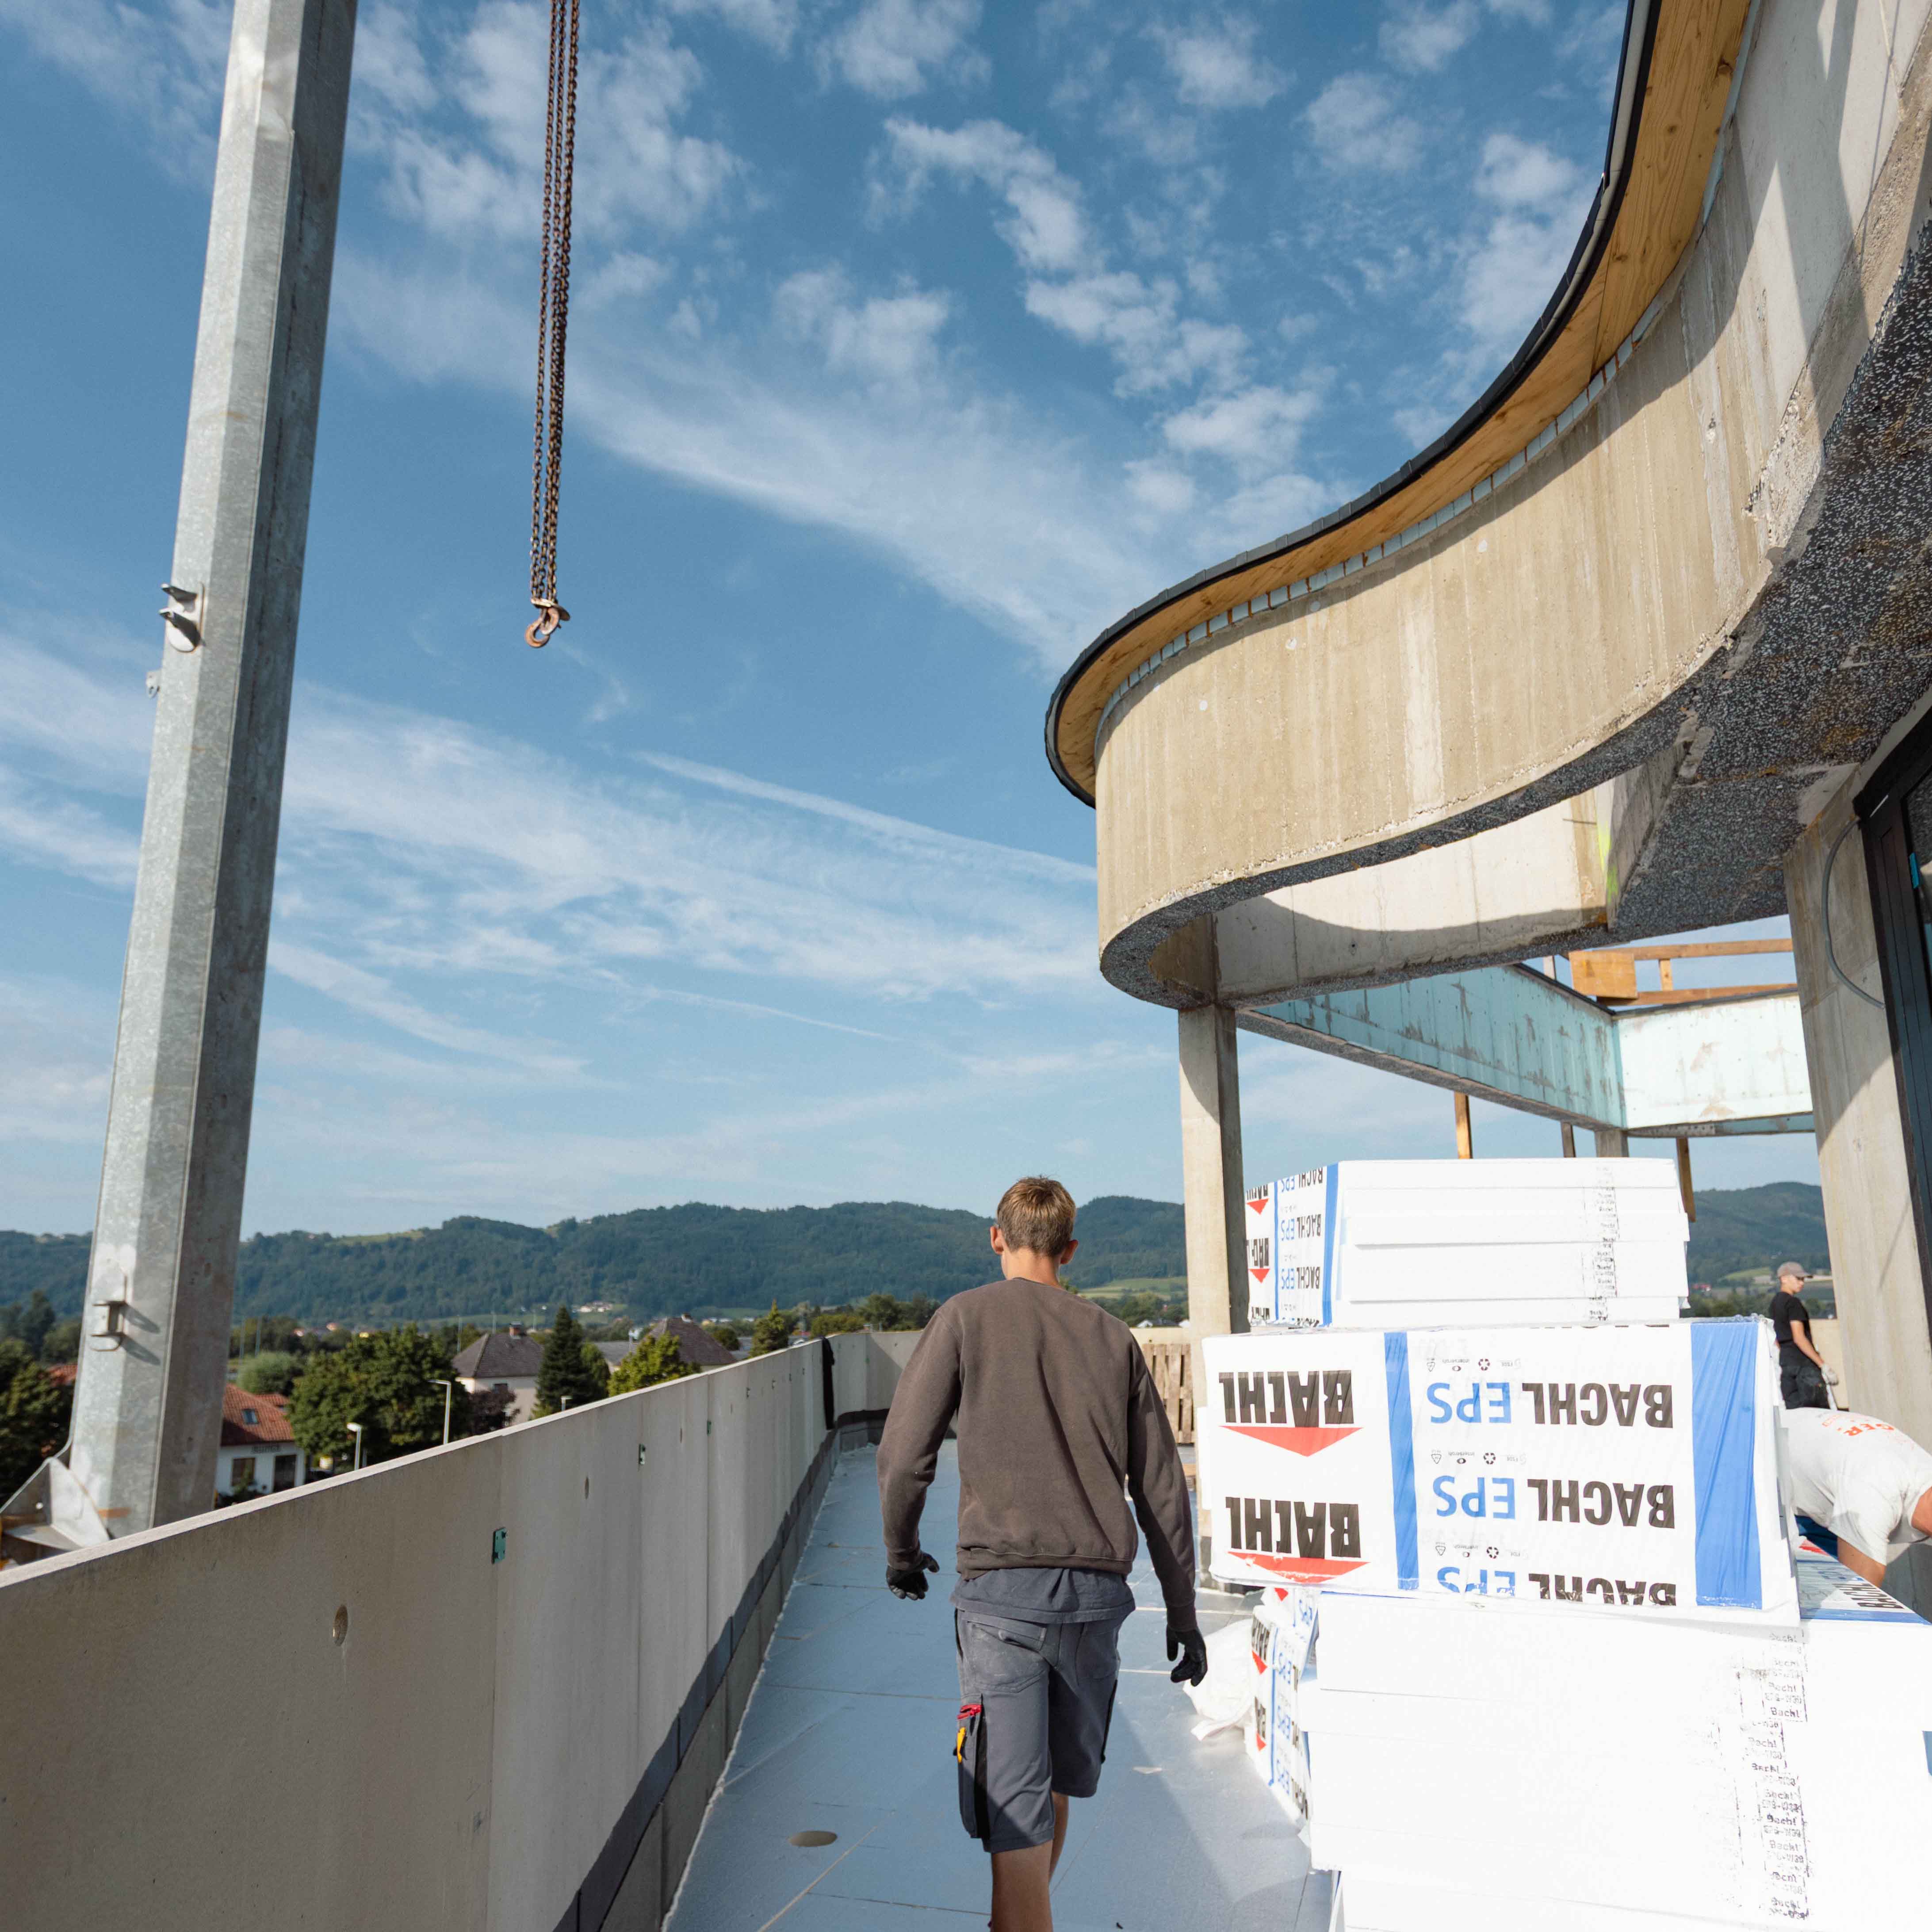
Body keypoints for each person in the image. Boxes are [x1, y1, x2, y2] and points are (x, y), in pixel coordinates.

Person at [876, 1176, 1206, 1932]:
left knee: (1012, 1802)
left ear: (996, 1236)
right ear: (1070, 1248)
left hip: (1002, 1605)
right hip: (1094, 1605)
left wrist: (901, 1549)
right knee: (1049, 1782)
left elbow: (902, 1457)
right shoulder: (1113, 1337)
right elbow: (1161, 1488)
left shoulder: (962, 1317)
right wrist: (1182, 1612)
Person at [1782, 1405, 1932, 1586]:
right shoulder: (1875, 1495)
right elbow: (1859, 1599)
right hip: (1761, 1466)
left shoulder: (1922, 1472)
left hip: (1817, 1478)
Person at [1767, 1261, 1833, 1409]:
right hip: (1804, 1367)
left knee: (1797, 1417)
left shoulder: (1774, 1304)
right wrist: (1822, 1364)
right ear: (1784, 1279)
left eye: (1803, 1279)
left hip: (1786, 1366)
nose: (1802, 1283)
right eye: (1798, 1279)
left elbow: (1777, 1338)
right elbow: (1799, 1337)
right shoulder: (1793, 1303)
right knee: (1818, 1415)